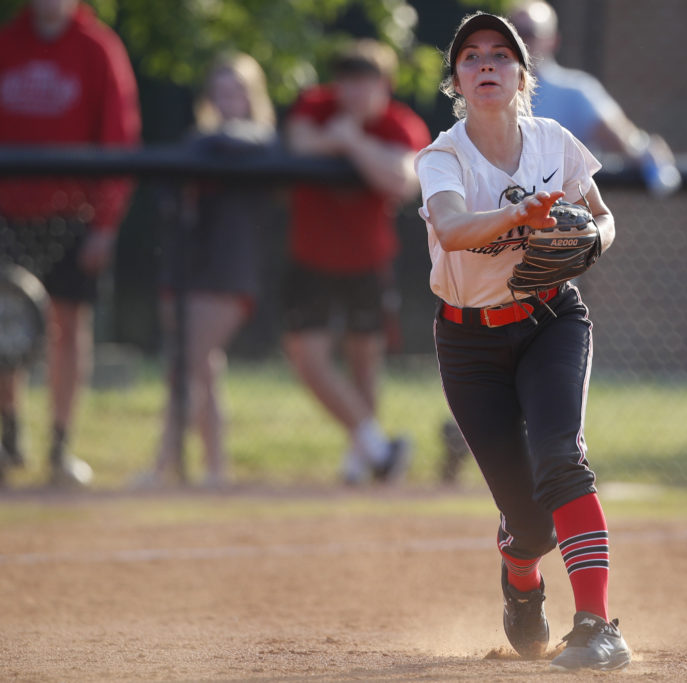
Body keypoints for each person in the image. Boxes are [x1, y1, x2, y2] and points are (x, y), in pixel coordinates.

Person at [414, 12, 631, 671]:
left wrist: (595, 239)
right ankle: (521, 574)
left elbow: (602, 216)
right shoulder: (443, 155)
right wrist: (519, 214)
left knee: (562, 460)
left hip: (550, 320)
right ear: (456, 79)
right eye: (471, 56)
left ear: (521, 74)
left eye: (500, 55)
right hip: (470, 343)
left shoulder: (553, 142)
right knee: (529, 520)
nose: (485, 64)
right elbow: (451, 230)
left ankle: (596, 624)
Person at [0, 0, 141, 487]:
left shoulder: (98, 48)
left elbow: (120, 137)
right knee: (0, 324)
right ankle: (9, 435)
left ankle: (60, 445)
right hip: (4, 210)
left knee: (69, 324)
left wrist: (105, 223)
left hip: (72, 215)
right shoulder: (0, 46)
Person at [283, 39, 431, 485]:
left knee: (365, 359)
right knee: (307, 358)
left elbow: (402, 181)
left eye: (366, 84)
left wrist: (352, 142)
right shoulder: (314, 105)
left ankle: (360, 460)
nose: (355, 94)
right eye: (347, 83)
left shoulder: (402, 124)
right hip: (309, 257)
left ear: (385, 86)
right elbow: (300, 143)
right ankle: (377, 448)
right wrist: (344, 141)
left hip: (367, 261)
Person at [142, 52, 278, 488]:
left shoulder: (257, 142)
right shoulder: (198, 143)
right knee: (203, 369)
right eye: (219, 92)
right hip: (187, 268)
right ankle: (215, 469)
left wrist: (204, 143)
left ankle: (164, 465)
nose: (227, 100)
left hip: (228, 271)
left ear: (252, 96)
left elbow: (253, 141)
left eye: (236, 91)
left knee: (185, 364)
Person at [508, 0, 680, 197]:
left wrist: (645, 150)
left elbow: (619, 137)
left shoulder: (575, 91)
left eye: (529, 32)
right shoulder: (486, 89)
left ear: (552, 40)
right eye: (513, 31)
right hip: (499, 217)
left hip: (557, 216)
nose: (520, 40)